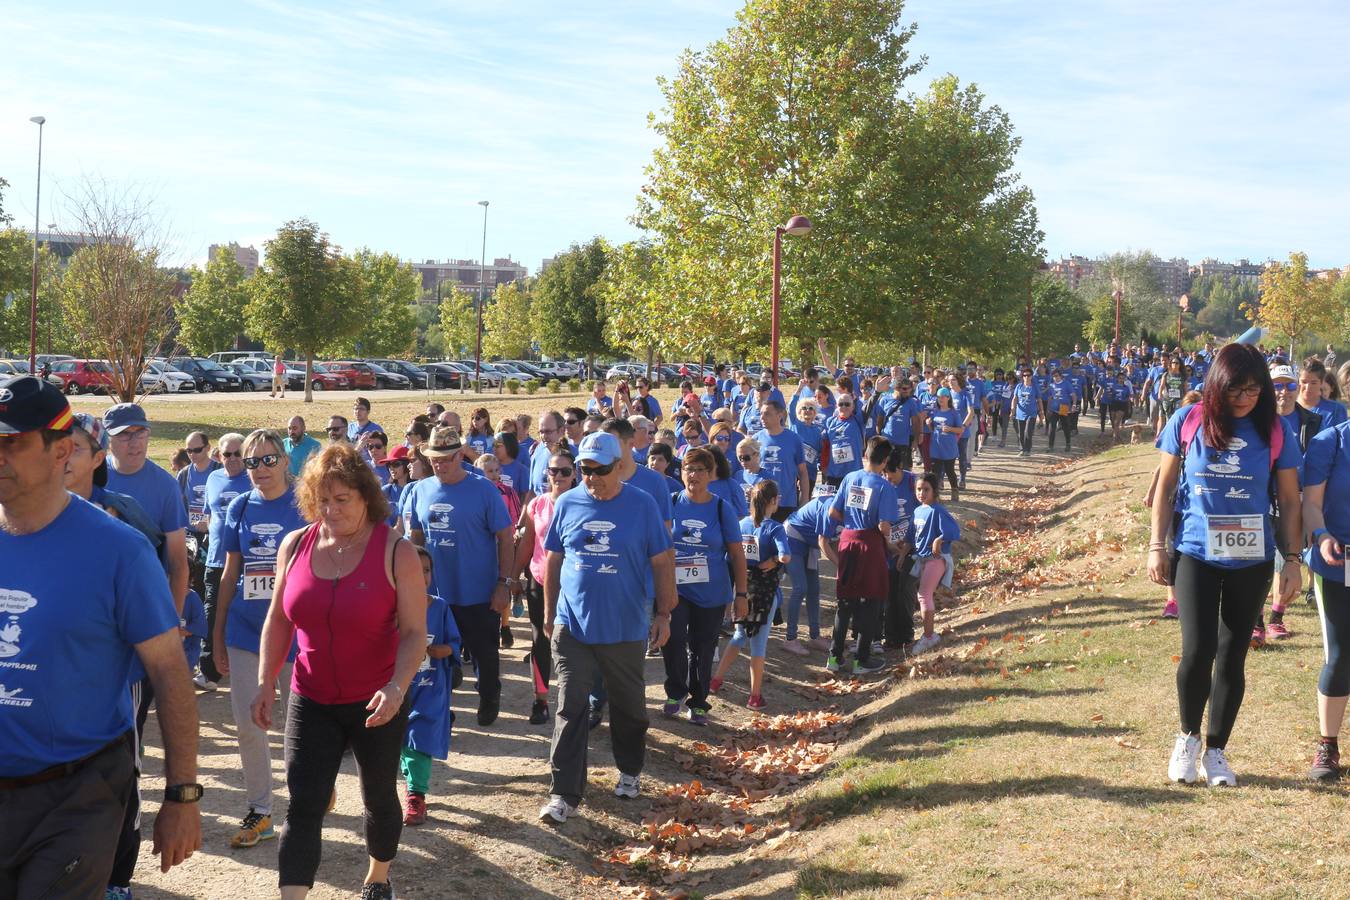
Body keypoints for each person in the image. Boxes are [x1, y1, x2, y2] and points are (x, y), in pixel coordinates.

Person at [0, 376, 200, 893]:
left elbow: (170, 673)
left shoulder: (120, 550)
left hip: (77, 792)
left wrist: (182, 796)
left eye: (12, 442)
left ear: (62, 450)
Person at [252, 443, 425, 900]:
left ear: (366, 496)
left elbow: (413, 633)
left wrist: (396, 686)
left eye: (342, 499)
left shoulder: (397, 552)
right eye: (322, 500)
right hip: (311, 697)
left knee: (379, 797)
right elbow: (279, 619)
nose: (331, 509)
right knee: (304, 805)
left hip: (376, 700)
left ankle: (378, 876)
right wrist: (266, 682)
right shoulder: (295, 545)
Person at [1149, 343, 1302, 787]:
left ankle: (1217, 751)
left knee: (1233, 654)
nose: (1245, 398)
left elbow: (1290, 500)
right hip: (1196, 551)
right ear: (1218, 383)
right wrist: (1156, 544)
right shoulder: (1189, 420)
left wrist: (1291, 560)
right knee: (1197, 651)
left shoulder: (1274, 429)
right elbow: (1164, 487)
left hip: (1251, 558)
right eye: (1236, 389)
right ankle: (1187, 738)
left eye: (1255, 390)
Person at [539, 432, 676, 824]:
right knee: (570, 708)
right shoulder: (568, 502)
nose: (591, 477)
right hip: (573, 625)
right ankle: (563, 794)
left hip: (626, 627)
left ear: (619, 467)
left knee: (629, 707)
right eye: (584, 469)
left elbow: (663, 560)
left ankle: (630, 770)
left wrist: (664, 613)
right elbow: (553, 560)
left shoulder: (642, 504)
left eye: (599, 470)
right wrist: (550, 614)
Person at [212, 429, 308, 849]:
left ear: (286, 461)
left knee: (298, 724)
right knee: (249, 725)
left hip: (296, 631)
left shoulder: (305, 505)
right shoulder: (238, 505)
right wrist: (216, 637)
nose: (261, 469)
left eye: (269, 460)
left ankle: (309, 795)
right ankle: (261, 810)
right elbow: (230, 574)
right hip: (246, 631)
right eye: (252, 462)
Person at [408, 426, 514, 726]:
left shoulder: (483, 490)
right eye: (434, 460)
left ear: (459, 456)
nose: (439, 465)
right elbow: (416, 538)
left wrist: (504, 584)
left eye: (446, 459)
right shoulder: (421, 490)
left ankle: (490, 693)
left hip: (478, 592)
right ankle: (443, 708)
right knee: (437, 657)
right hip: (437, 595)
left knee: (484, 653)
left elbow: (506, 538)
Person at [663, 447, 749, 726]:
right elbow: (659, 548)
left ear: (711, 474)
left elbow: (737, 554)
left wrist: (741, 595)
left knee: (702, 647)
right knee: (673, 640)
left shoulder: (721, 508)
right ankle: (675, 691)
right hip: (677, 590)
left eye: (700, 470)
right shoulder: (672, 502)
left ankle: (698, 701)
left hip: (711, 592)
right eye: (689, 468)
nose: (693, 475)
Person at [104, 403, 189, 618]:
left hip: (144, 605)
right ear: (107, 440)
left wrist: (172, 622)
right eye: (124, 434)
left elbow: (178, 565)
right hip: (98, 603)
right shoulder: (89, 476)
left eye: (140, 433)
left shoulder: (166, 486)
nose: (134, 442)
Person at [710, 481, 791, 708]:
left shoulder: (741, 525)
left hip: (742, 589)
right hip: (765, 591)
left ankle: (715, 681)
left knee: (739, 635)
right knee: (759, 644)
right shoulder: (775, 528)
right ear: (773, 501)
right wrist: (774, 560)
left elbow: (729, 558)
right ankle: (755, 696)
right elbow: (786, 557)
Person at [514, 448, 578, 725]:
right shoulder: (536, 505)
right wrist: (512, 578)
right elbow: (527, 544)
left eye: (565, 471)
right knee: (540, 640)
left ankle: (577, 697)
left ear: (574, 473)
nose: (559, 476)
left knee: (576, 642)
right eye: (554, 470)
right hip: (540, 582)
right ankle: (540, 700)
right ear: (546, 473)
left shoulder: (582, 503)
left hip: (576, 584)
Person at [826, 437, 900, 675]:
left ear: (866, 453)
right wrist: (890, 543)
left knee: (845, 602)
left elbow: (833, 511)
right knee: (870, 601)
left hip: (848, 541)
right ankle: (861, 659)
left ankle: (834, 657)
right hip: (870, 544)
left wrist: (851, 521)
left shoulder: (850, 478)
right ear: (886, 461)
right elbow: (883, 526)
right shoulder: (884, 486)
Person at [401, 546, 462, 825]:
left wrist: (445, 650)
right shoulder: (389, 606)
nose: (422, 575)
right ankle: (409, 781)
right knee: (402, 739)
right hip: (399, 688)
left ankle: (416, 795)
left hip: (431, 687)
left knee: (420, 737)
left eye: (426, 570)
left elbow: (455, 642)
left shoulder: (439, 606)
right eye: (414, 569)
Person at [1303, 416, 1350, 779]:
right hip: (1340, 563)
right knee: (1341, 654)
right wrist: (1321, 534)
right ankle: (1327, 745)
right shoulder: (1329, 443)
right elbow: (1312, 503)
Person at [199, 434, 252, 688]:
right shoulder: (213, 478)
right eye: (226, 454)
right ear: (218, 456)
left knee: (245, 614)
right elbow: (210, 517)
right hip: (215, 560)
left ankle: (255, 668)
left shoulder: (253, 480)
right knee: (211, 615)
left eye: (237, 453)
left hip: (246, 562)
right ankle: (209, 672)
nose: (231, 459)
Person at [911, 473, 960, 654]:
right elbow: (912, 535)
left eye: (926, 490)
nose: (922, 493)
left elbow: (954, 532)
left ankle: (929, 637)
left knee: (924, 595)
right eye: (919, 489)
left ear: (934, 491)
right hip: (921, 559)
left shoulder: (938, 510)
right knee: (923, 595)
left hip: (936, 560)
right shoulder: (917, 511)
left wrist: (939, 539)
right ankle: (928, 633)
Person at [751, 399, 809, 520]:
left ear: (779, 416)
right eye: (761, 413)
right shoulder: (755, 439)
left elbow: (803, 472)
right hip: (762, 502)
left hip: (786, 502)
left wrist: (804, 500)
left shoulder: (794, 439)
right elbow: (750, 470)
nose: (762, 417)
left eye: (767, 413)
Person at [926, 388, 963, 502]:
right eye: (938, 397)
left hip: (949, 447)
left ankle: (954, 490)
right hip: (936, 446)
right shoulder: (935, 411)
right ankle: (935, 495)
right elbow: (933, 429)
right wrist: (928, 424)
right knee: (935, 472)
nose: (940, 399)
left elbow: (960, 429)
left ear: (948, 398)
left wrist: (950, 429)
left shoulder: (953, 413)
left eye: (943, 396)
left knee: (949, 470)